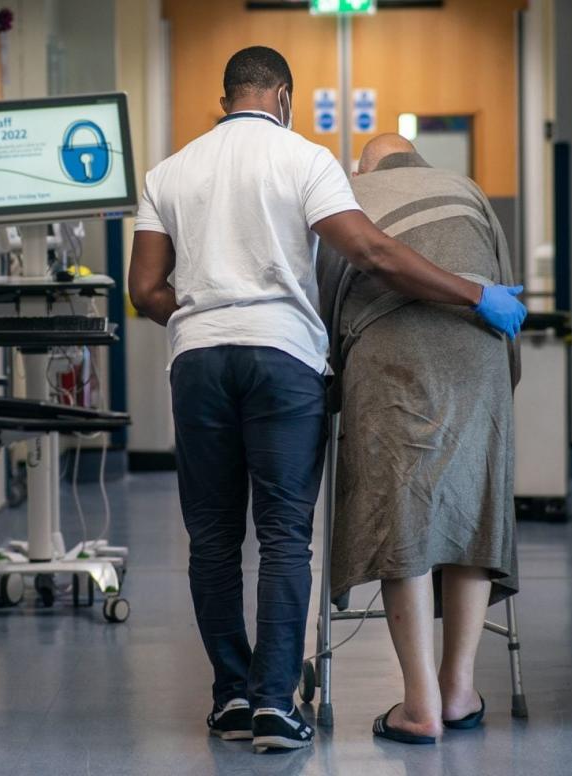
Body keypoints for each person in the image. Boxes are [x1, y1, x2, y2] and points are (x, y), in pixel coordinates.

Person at [128, 47, 526, 752]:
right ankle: (275, 706)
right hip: (282, 358)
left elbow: (145, 290)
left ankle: (230, 698)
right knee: (284, 533)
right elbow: (371, 253)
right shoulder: (305, 160)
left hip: (198, 361)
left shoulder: (168, 172)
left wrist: (203, 313)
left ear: (225, 98)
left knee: (215, 537)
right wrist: (473, 293)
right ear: (281, 95)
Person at [317, 134, 521, 745]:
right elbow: (503, 290)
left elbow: (325, 304)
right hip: (479, 358)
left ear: (365, 165)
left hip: (388, 360)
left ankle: (420, 703)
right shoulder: (470, 191)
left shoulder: (347, 195)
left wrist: (333, 385)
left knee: (398, 510)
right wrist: (499, 390)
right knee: (472, 510)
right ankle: (459, 690)